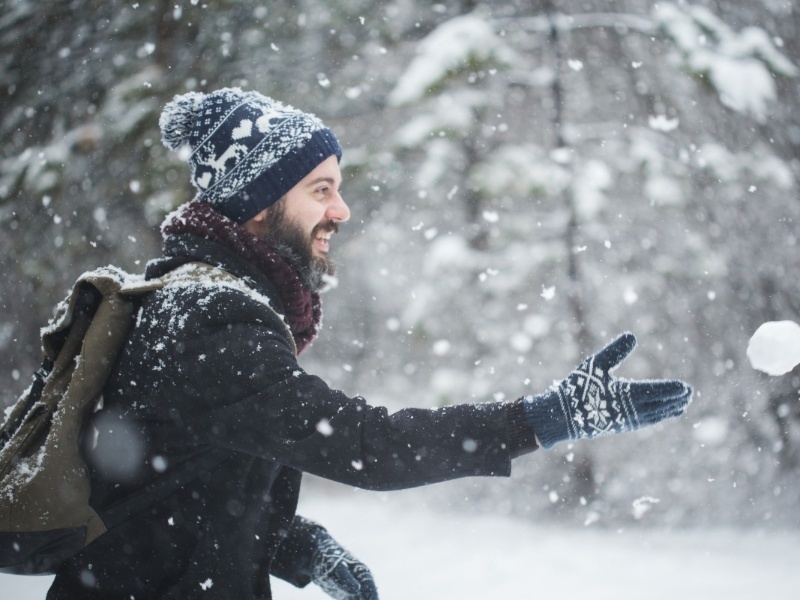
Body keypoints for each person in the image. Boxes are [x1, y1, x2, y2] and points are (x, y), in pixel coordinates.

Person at [47, 88, 692, 599]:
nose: (342, 210)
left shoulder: (181, 298)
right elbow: (364, 445)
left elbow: (172, 483)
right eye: (320, 190)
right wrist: (544, 419)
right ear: (255, 203)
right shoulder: (211, 316)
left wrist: (293, 544)